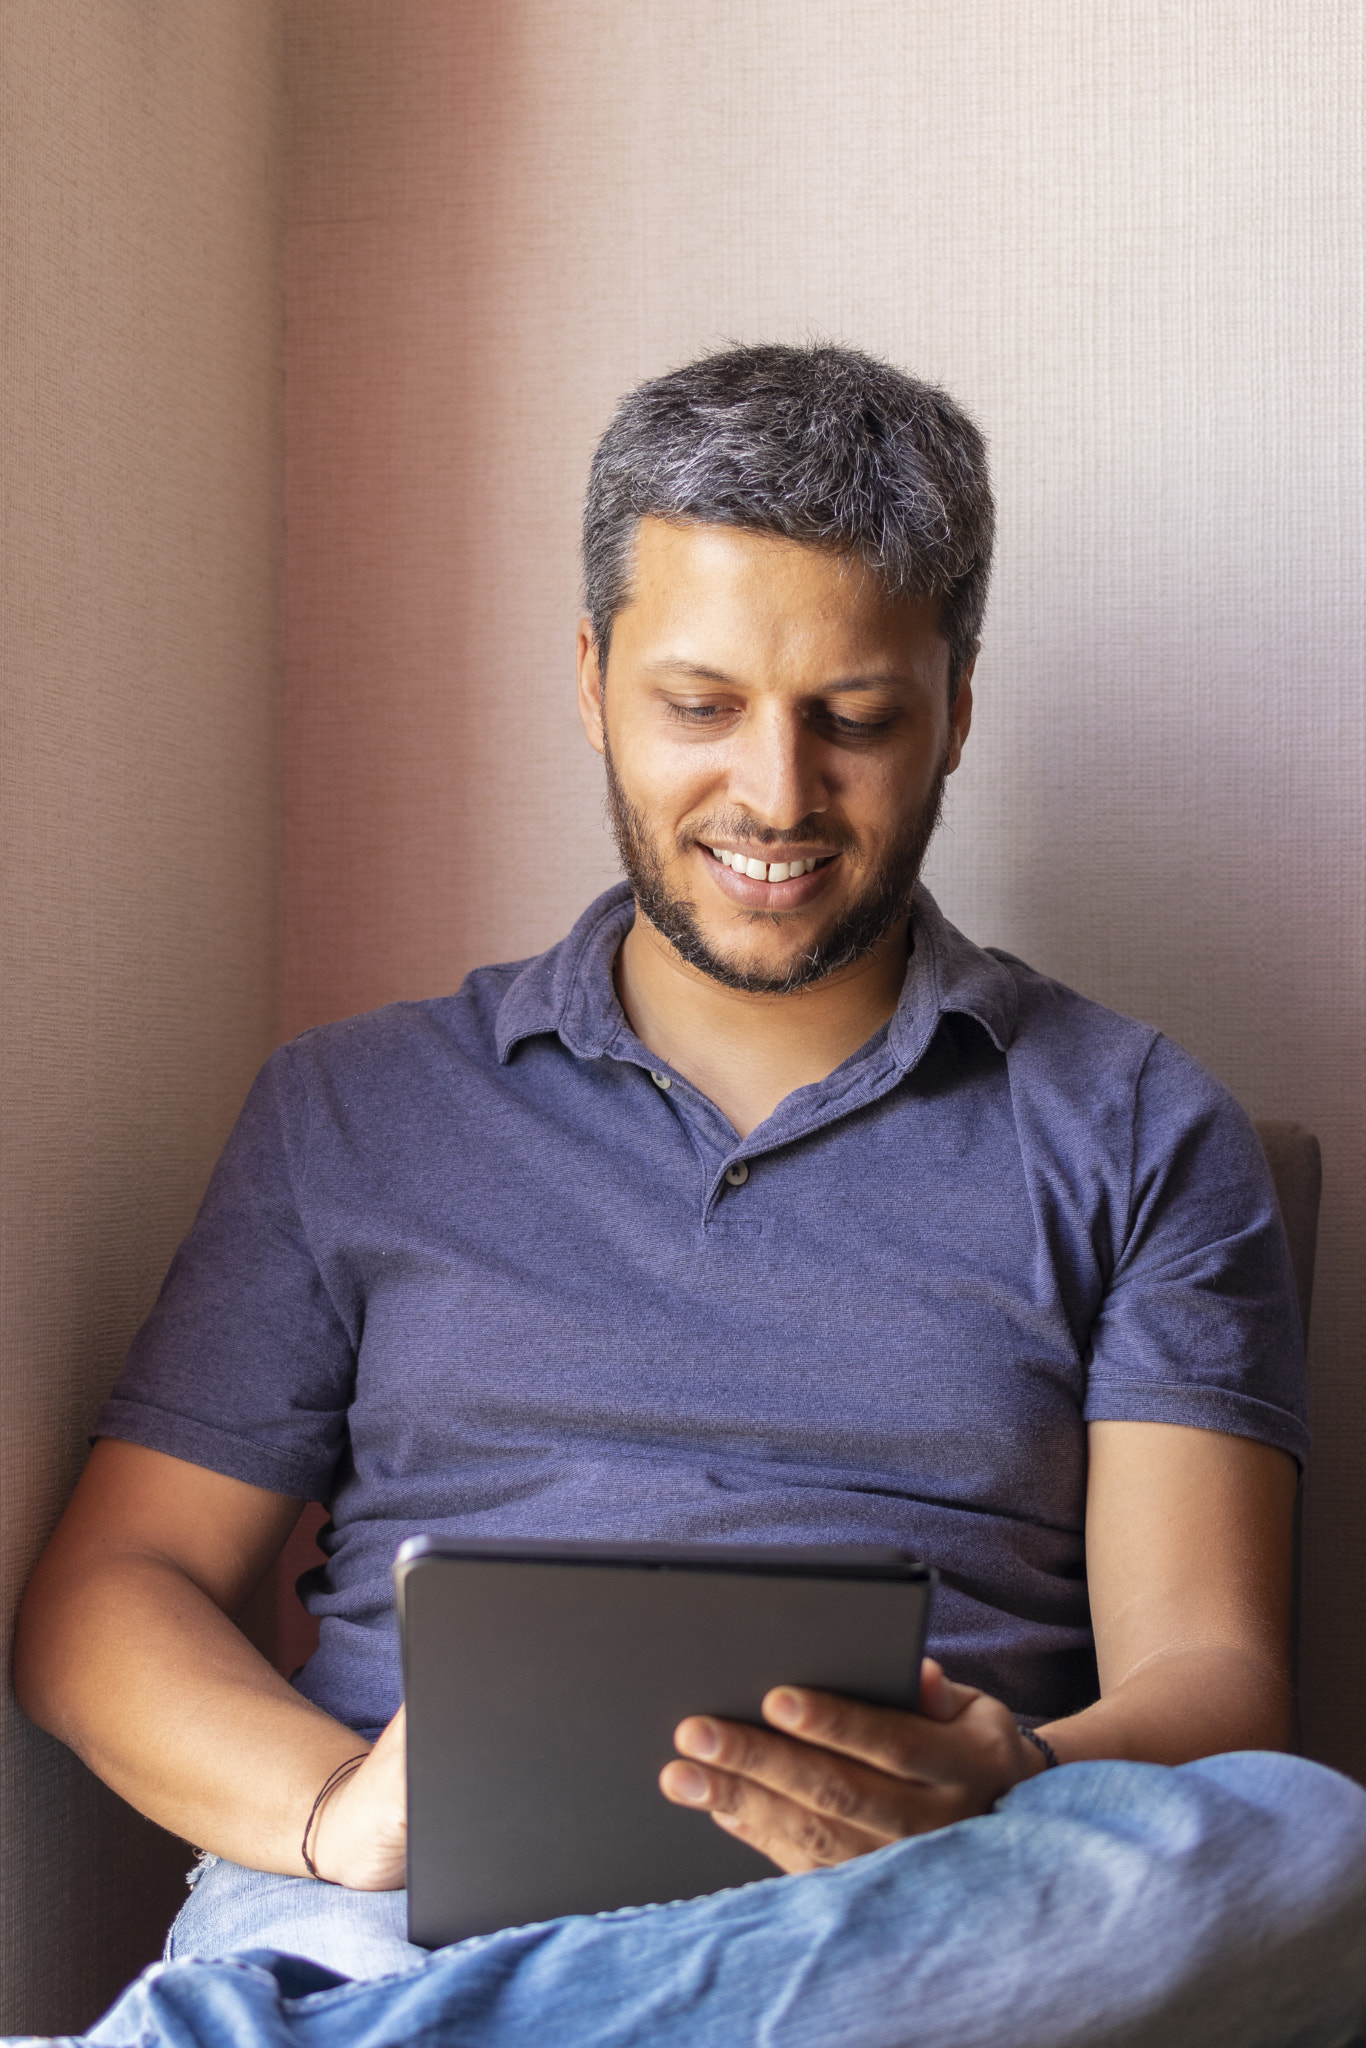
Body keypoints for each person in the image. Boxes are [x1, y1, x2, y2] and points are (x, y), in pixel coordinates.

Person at [12, 343, 1366, 2048]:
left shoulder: (1141, 1124)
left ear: (954, 705)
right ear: (590, 680)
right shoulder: (352, 1107)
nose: (777, 796)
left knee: (1313, 1844)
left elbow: (1213, 1677)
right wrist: (334, 1811)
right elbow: (107, 1591)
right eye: (699, 705)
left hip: (917, 1902)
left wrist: (1002, 1771)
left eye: (854, 718)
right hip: (395, 1900)